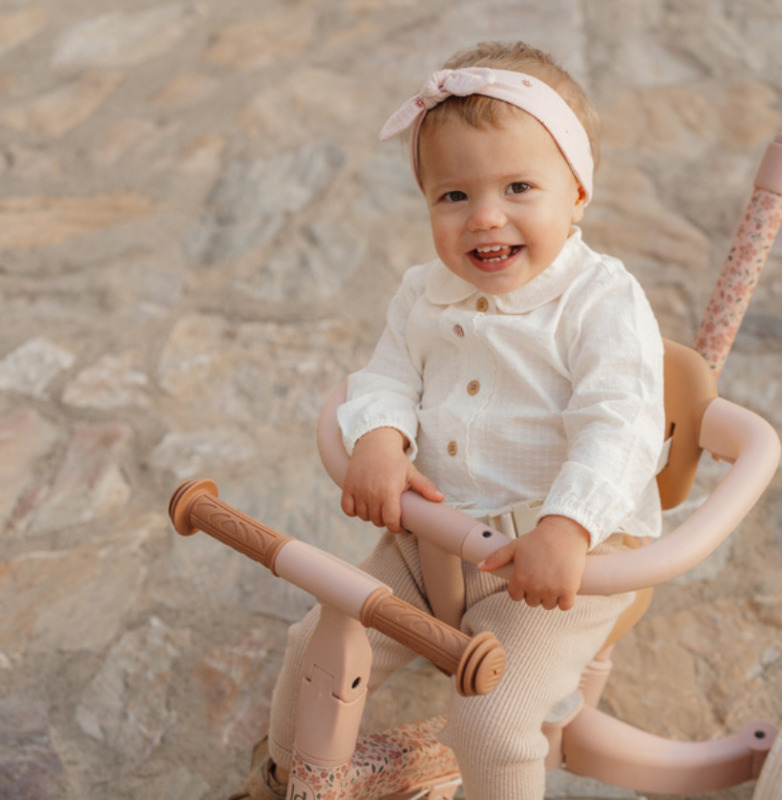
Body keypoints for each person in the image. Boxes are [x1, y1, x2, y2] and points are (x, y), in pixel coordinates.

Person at [232, 40, 665, 800]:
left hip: (552, 569)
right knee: (317, 644)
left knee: (490, 720)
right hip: (429, 542)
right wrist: (379, 438)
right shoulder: (423, 292)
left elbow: (621, 426)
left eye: (519, 187)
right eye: (453, 196)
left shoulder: (602, 304)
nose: (485, 217)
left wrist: (567, 526)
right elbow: (387, 375)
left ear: (577, 192)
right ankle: (287, 778)